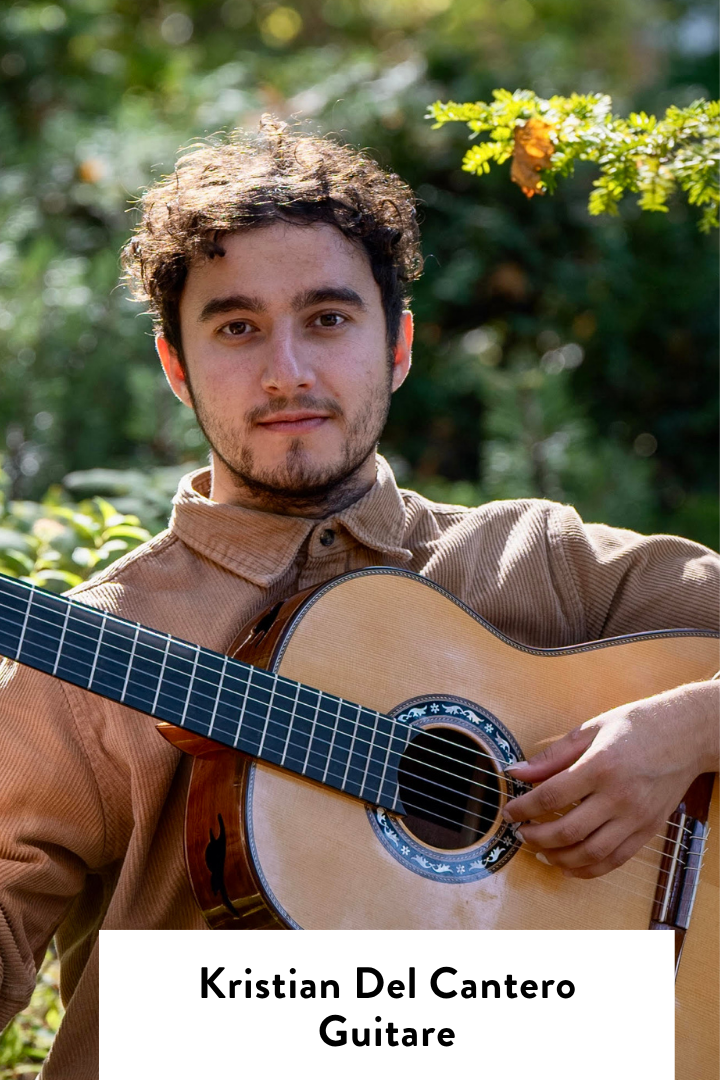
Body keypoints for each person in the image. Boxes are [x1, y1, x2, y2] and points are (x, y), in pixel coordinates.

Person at [0, 118, 717, 1078]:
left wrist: (686, 729)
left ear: (398, 346)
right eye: (237, 327)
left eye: (329, 319)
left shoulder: (535, 562)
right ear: (176, 366)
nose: (287, 371)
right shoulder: (95, 648)